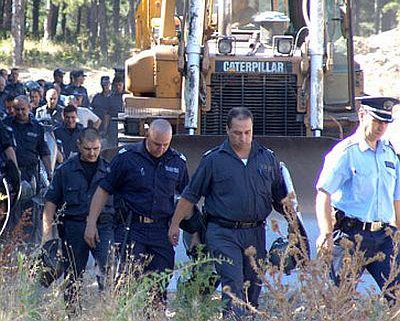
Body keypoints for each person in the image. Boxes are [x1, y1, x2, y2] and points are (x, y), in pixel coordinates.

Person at [169, 107, 289, 318]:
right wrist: (174, 226)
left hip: (255, 233)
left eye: (248, 132)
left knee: (253, 285)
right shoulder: (213, 160)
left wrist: (293, 220)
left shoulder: (267, 158)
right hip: (223, 232)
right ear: (227, 130)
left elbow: (280, 197)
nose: (243, 137)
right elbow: (190, 196)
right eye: (237, 133)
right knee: (233, 284)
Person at [84, 119, 189, 306]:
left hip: (161, 231)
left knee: (158, 286)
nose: (161, 148)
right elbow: (103, 190)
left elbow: (187, 198)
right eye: (157, 144)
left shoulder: (177, 161)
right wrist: (91, 223)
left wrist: (177, 225)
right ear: (147, 136)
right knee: (128, 284)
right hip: (131, 229)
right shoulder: (126, 158)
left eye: (166, 144)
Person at [315, 96, 400, 301]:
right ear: (362, 115)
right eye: (377, 121)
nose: (381, 127)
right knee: (340, 301)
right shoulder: (346, 152)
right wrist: (326, 234)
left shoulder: (390, 154)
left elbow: (396, 198)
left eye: (385, 122)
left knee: (397, 297)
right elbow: (323, 193)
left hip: (384, 236)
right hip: (350, 236)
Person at [43, 127, 114, 313]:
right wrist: (47, 236)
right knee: (72, 275)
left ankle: (107, 311)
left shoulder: (109, 170)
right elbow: (50, 202)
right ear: (78, 145)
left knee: (108, 271)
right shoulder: (65, 171)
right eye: (88, 149)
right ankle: (72, 314)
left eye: (96, 149)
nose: (92, 153)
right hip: (74, 227)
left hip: (103, 226)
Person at [4, 95, 51, 243]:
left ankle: (31, 245)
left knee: (32, 211)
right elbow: (6, 148)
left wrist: (50, 173)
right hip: (10, 175)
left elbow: (44, 152)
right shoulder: (5, 124)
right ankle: (9, 244)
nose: (19, 113)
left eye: (23, 109)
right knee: (11, 211)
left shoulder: (37, 127)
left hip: (31, 174)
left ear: (29, 108)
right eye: (16, 109)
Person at [106, 75, 125, 147]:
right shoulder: (110, 98)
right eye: (116, 85)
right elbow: (107, 115)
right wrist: (105, 129)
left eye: (120, 85)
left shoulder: (127, 97)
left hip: (125, 122)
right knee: (112, 145)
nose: (118, 87)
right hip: (113, 123)